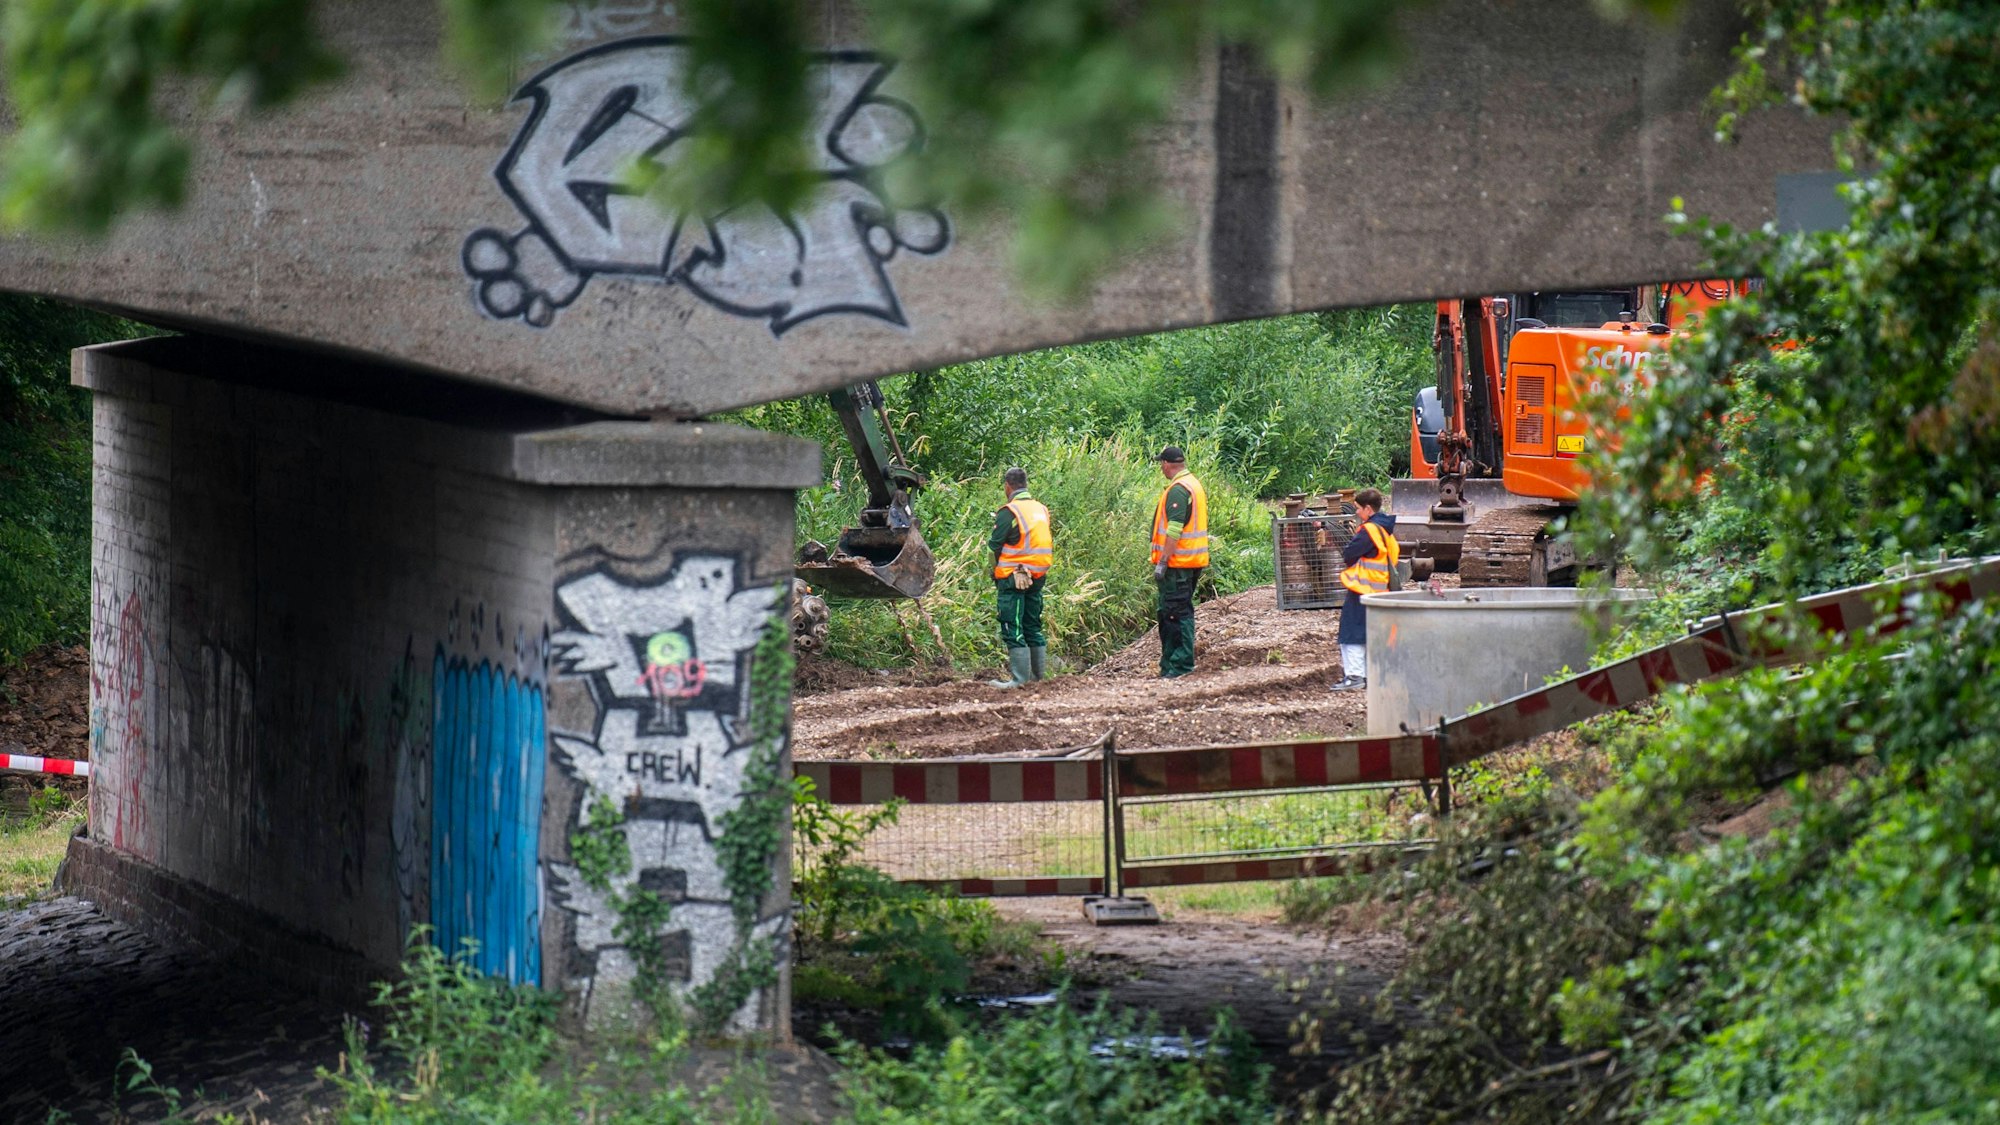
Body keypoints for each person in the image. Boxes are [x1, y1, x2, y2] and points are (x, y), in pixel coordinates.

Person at [988, 466, 1052, 688]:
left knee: (1011, 625)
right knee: (1032, 625)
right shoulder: (1041, 509)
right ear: (1026, 484)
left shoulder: (1009, 511)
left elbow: (993, 547)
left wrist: (994, 572)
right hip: (1038, 574)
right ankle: (1037, 679)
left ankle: (1019, 679)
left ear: (1007, 486)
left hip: (1012, 576)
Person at [1149, 447, 1209, 678]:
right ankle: (1171, 666)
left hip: (1178, 564)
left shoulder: (1178, 489)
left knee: (1175, 614)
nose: (1161, 468)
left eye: (1160, 464)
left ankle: (1179, 667)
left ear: (1166, 463)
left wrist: (1163, 561)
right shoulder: (1193, 483)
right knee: (1175, 612)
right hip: (1190, 562)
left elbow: (1174, 528)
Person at [1330, 487, 1398, 691]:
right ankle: (1371, 674)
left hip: (1363, 588)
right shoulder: (1386, 530)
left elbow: (1349, 554)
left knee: (1350, 632)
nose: (1357, 513)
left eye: (1358, 508)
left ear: (1368, 509)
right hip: (1380, 589)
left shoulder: (1369, 531)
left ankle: (1354, 676)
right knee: (1372, 633)